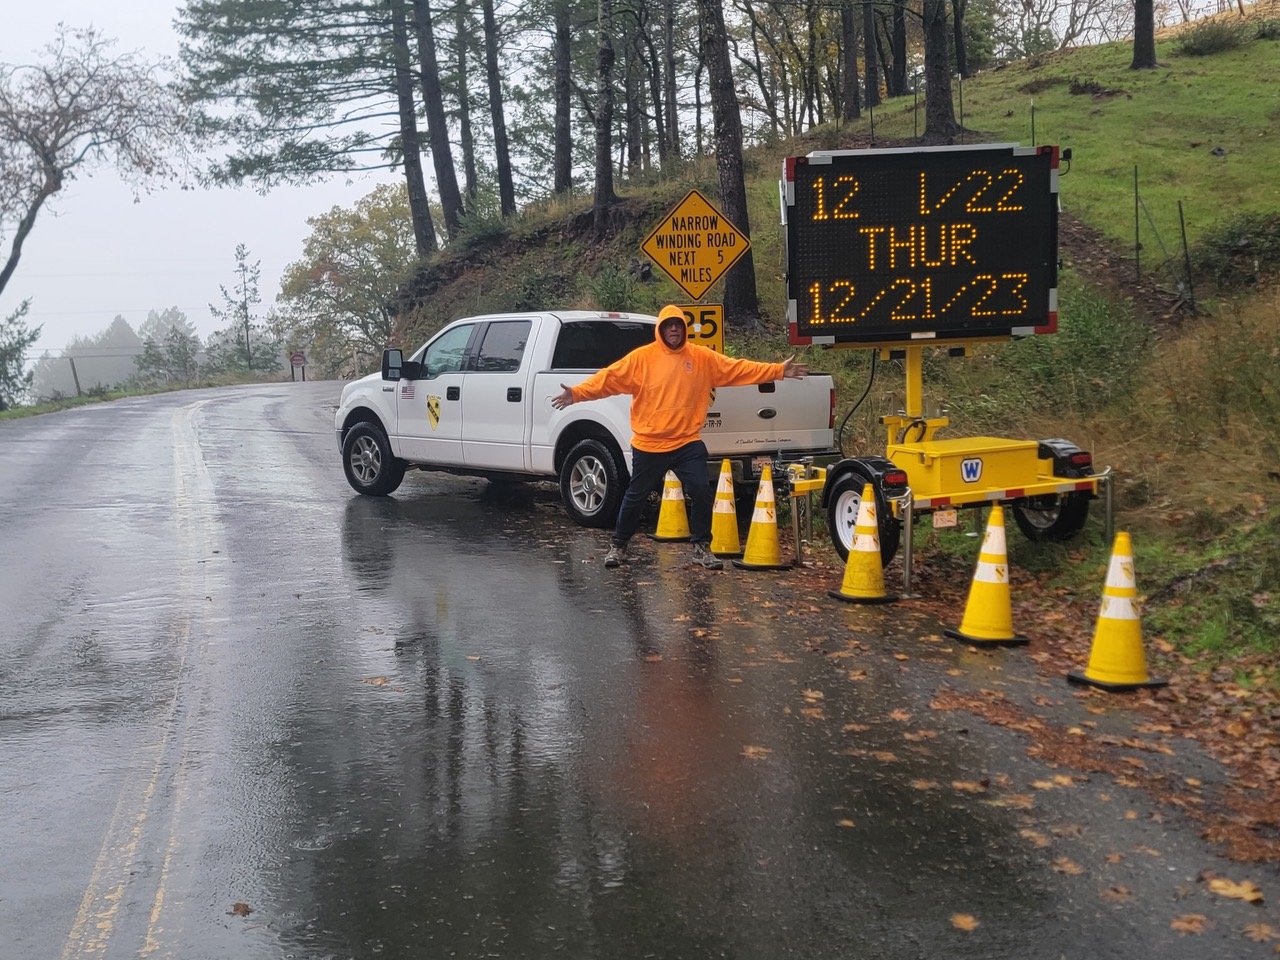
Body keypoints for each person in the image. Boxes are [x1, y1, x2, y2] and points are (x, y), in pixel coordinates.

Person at [552, 304, 808, 570]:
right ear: (661, 330)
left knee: (701, 490)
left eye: (678, 325)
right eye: (668, 325)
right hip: (649, 443)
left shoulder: (702, 358)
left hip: (686, 442)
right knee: (635, 496)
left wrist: (778, 371)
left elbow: (738, 369)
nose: (674, 329)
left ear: (684, 329)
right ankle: (618, 546)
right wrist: (577, 393)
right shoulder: (641, 359)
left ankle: (701, 547)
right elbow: (608, 379)